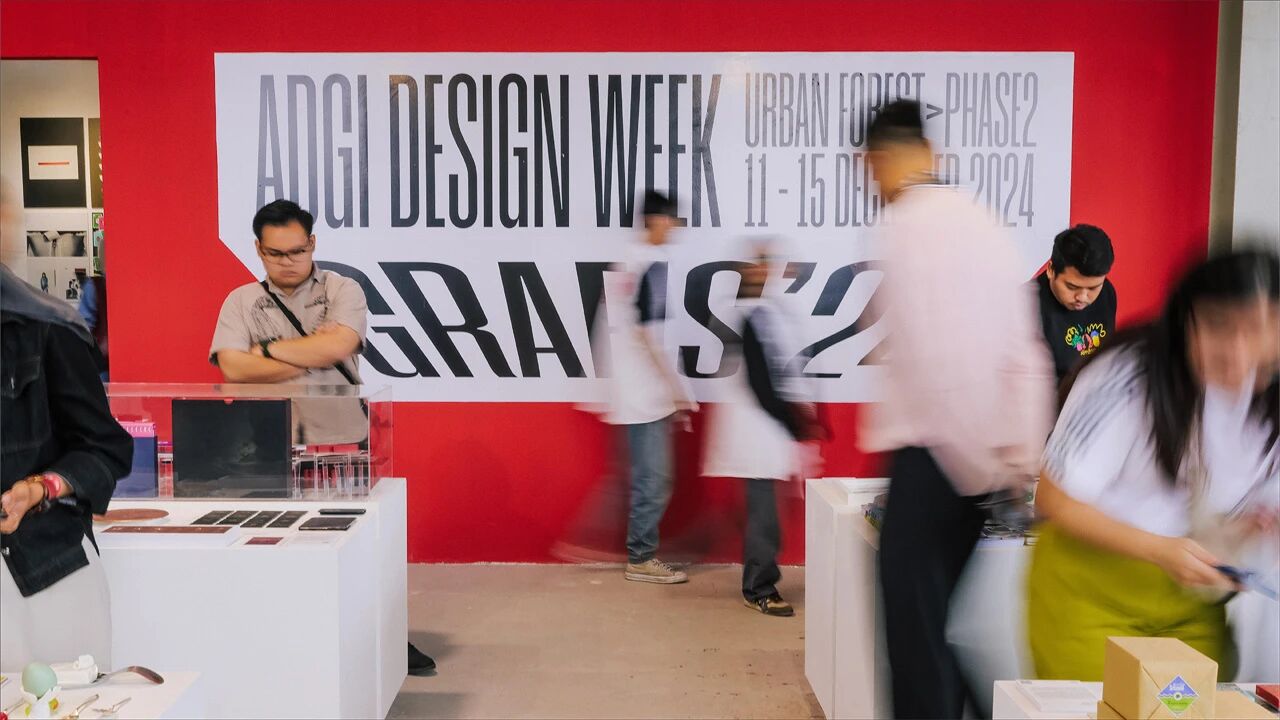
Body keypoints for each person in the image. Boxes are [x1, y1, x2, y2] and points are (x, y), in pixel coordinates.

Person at [859, 100, 1055, 719]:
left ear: (878, 159)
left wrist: (967, 466)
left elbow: (937, 357)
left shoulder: (905, 226)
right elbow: (1024, 350)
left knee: (916, 639)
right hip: (986, 461)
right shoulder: (981, 220)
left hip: (938, 459)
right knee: (945, 631)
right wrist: (1014, 464)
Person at [208, 199, 437, 677]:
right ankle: (290, 643)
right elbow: (232, 367)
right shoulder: (240, 301)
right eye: (275, 253)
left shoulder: (342, 289)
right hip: (268, 446)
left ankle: (383, 640)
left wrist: (265, 351)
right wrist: (305, 354)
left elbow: (339, 345)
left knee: (359, 549)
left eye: (296, 250)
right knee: (273, 551)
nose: (287, 262)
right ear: (258, 249)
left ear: (312, 243)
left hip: (341, 439)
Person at [1028, 249, 1279, 682]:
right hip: (1091, 593)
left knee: (1193, 709)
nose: (1238, 351)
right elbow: (1053, 498)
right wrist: (1160, 550)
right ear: (1186, 321)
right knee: (1108, 709)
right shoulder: (1129, 375)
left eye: (1258, 329)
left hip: (1194, 603)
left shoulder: (1269, 398)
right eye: (1219, 327)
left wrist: (1254, 523)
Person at [1, 261, 132, 668]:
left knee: (63, 697)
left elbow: (104, 448)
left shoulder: (45, 328)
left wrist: (42, 487)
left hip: (42, 572)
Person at [702, 244, 818, 616]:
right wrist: (792, 420)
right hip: (757, 432)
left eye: (767, 264)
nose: (763, 271)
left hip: (765, 432)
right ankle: (758, 588)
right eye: (756, 266)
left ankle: (760, 579)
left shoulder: (767, 313)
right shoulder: (747, 316)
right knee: (764, 516)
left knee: (765, 514)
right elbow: (761, 382)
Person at [597, 190, 697, 584]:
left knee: (645, 477)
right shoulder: (650, 264)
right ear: (656, 220)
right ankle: (640, 557)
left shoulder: (628, 261)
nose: (673, 228)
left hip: (635, 389)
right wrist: (675, 388)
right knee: (654, 479)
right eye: (671, 220)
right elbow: (647, 333)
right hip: (646, 392)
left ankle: (639, 553)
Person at [1035, 224, 1118, 383]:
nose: (1082, 297)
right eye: (1072, 287)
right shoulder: (1026, 304)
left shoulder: (1107, 293)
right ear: (1051, 269)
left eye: (1093, 288)